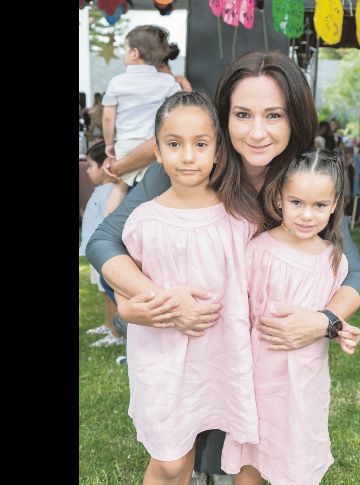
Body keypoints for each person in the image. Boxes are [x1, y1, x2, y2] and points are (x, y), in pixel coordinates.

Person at [86, 50, 360, 479]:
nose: (257, 132)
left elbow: (354, 271)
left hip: (254, 355)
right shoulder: (189, 167)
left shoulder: (305, 183)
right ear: (222, 119)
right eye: (242, 114)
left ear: (295, 117)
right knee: (173, 454)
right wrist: (148, 300)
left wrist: (325, 320)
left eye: (273, 115)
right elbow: (106, 241)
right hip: (191, 345)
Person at [121, 90, 260, 484]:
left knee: (189, 454)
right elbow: (124, 290)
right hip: (161, 358)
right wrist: (130, 310)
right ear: (158, 151)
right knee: (169, 461)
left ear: (218, 151)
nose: (187, 156)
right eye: (174, 144)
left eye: (200, 144)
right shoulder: (144, 221)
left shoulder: (239, 218)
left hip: (220, 358)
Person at [221, 149, 350, 485]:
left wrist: (339, 330)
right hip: (258, 383)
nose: (307, 215)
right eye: (297, 203)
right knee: (251, 460)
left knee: (296, 459)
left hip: (305, 387)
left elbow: (324, 317)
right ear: (279, 198)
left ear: (334, 204)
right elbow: (238, 316)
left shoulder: (334, 261)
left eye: (319, 206)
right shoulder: (258, 251)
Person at [101, 25, 181, 225]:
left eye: (125, 49)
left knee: (119, 187)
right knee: (153, 191)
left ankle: (107, 228)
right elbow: (176, 113)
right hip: (154, 146)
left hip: (126, 142)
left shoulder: (117, 82)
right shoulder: (167, 82)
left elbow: (108, 117)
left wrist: (109, 144)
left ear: (135, 53)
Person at [79, 142, 126, 347]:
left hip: (104, 252)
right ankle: (108, 326)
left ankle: (117, 334)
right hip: (94, 251)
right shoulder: (102, 190)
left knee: (110, 293)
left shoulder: (113, 191)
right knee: (103, 293)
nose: (88, 170)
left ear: (105, 164)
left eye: (90, 166)